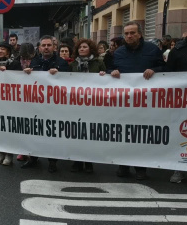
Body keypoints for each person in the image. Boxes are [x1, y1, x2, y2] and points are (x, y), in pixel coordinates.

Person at [110, 21, 165, 180]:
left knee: (140, 135)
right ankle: (123, 166)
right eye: (126, 33)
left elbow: (166, 70)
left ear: (140, 34)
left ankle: (141, 169)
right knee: (123, 134)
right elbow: (110, 70)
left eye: (132, 33)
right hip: (124, 102)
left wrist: (154, 70)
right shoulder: (119, 52)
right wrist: (111, 72)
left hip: (145, 102)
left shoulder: (152, 50)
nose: (129, 36)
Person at [21, 35, 70, 173]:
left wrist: (59, 73)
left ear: (54, 47)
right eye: (44, 45)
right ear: (39, 47)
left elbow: (68, 81)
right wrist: (27, 73)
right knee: (35, 132)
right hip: (37, 105)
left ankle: (52, 162)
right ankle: (33, 158)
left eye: (49, 45)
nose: (46, 48)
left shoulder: (62, 62)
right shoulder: (35, 61)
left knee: (51, 134)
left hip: (54, 105)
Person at [69, 39, 106, 173]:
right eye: (79, 47)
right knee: (76, 133)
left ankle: (89, 162)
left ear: (90, 48)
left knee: (89, 133)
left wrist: (103, 75)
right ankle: (77, 161)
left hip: (93, 103)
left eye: (84, 47)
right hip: (76, 103)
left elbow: (107, 80)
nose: (82, 49)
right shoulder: (73, 64)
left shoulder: (99, 62)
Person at [0, 42, 22, 166]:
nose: (0, 51)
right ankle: (1, 153)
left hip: (11, 101)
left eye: (3, 49)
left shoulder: (15, 64)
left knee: (9, 128)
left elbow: (19, 80)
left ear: (8, 52)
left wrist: (7, 72)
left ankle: (9, 155)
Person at [167, 17, 187, 183]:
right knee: (181, 134)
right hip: (182, 102)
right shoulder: (179, 50)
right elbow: (168, 75)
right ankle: (179, 168)